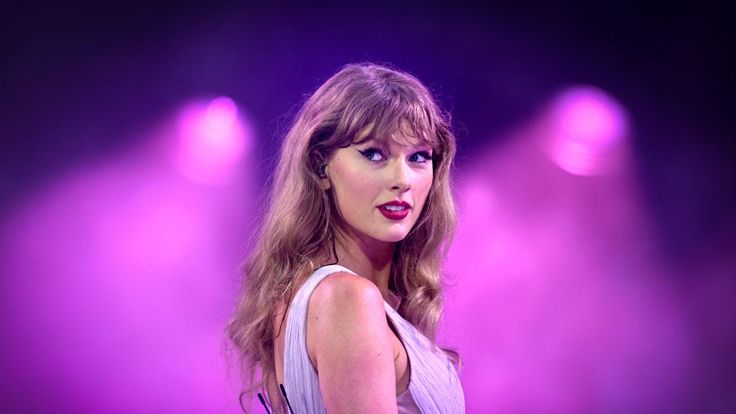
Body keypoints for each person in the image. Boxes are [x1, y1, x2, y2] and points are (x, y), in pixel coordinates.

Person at [227, 62, 464, 413]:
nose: (402, 179)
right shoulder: (347, 299)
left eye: (418, 156)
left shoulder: (309, 297)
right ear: (321, 166)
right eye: (374, 154)